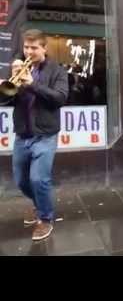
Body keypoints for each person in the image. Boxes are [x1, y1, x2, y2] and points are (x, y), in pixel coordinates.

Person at [0, 29, 68, 241]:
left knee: (39, 179)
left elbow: (59, 98)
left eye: (34, 48)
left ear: (44, 48)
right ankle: (40, 205)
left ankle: (45, 219)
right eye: (26, 47)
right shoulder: (18, 67)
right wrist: (8, 84)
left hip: (45, 135)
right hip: (22, 135)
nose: (29, 52)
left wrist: (33, 84)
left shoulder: (57, 71)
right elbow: (4, 100)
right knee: (21, 181)